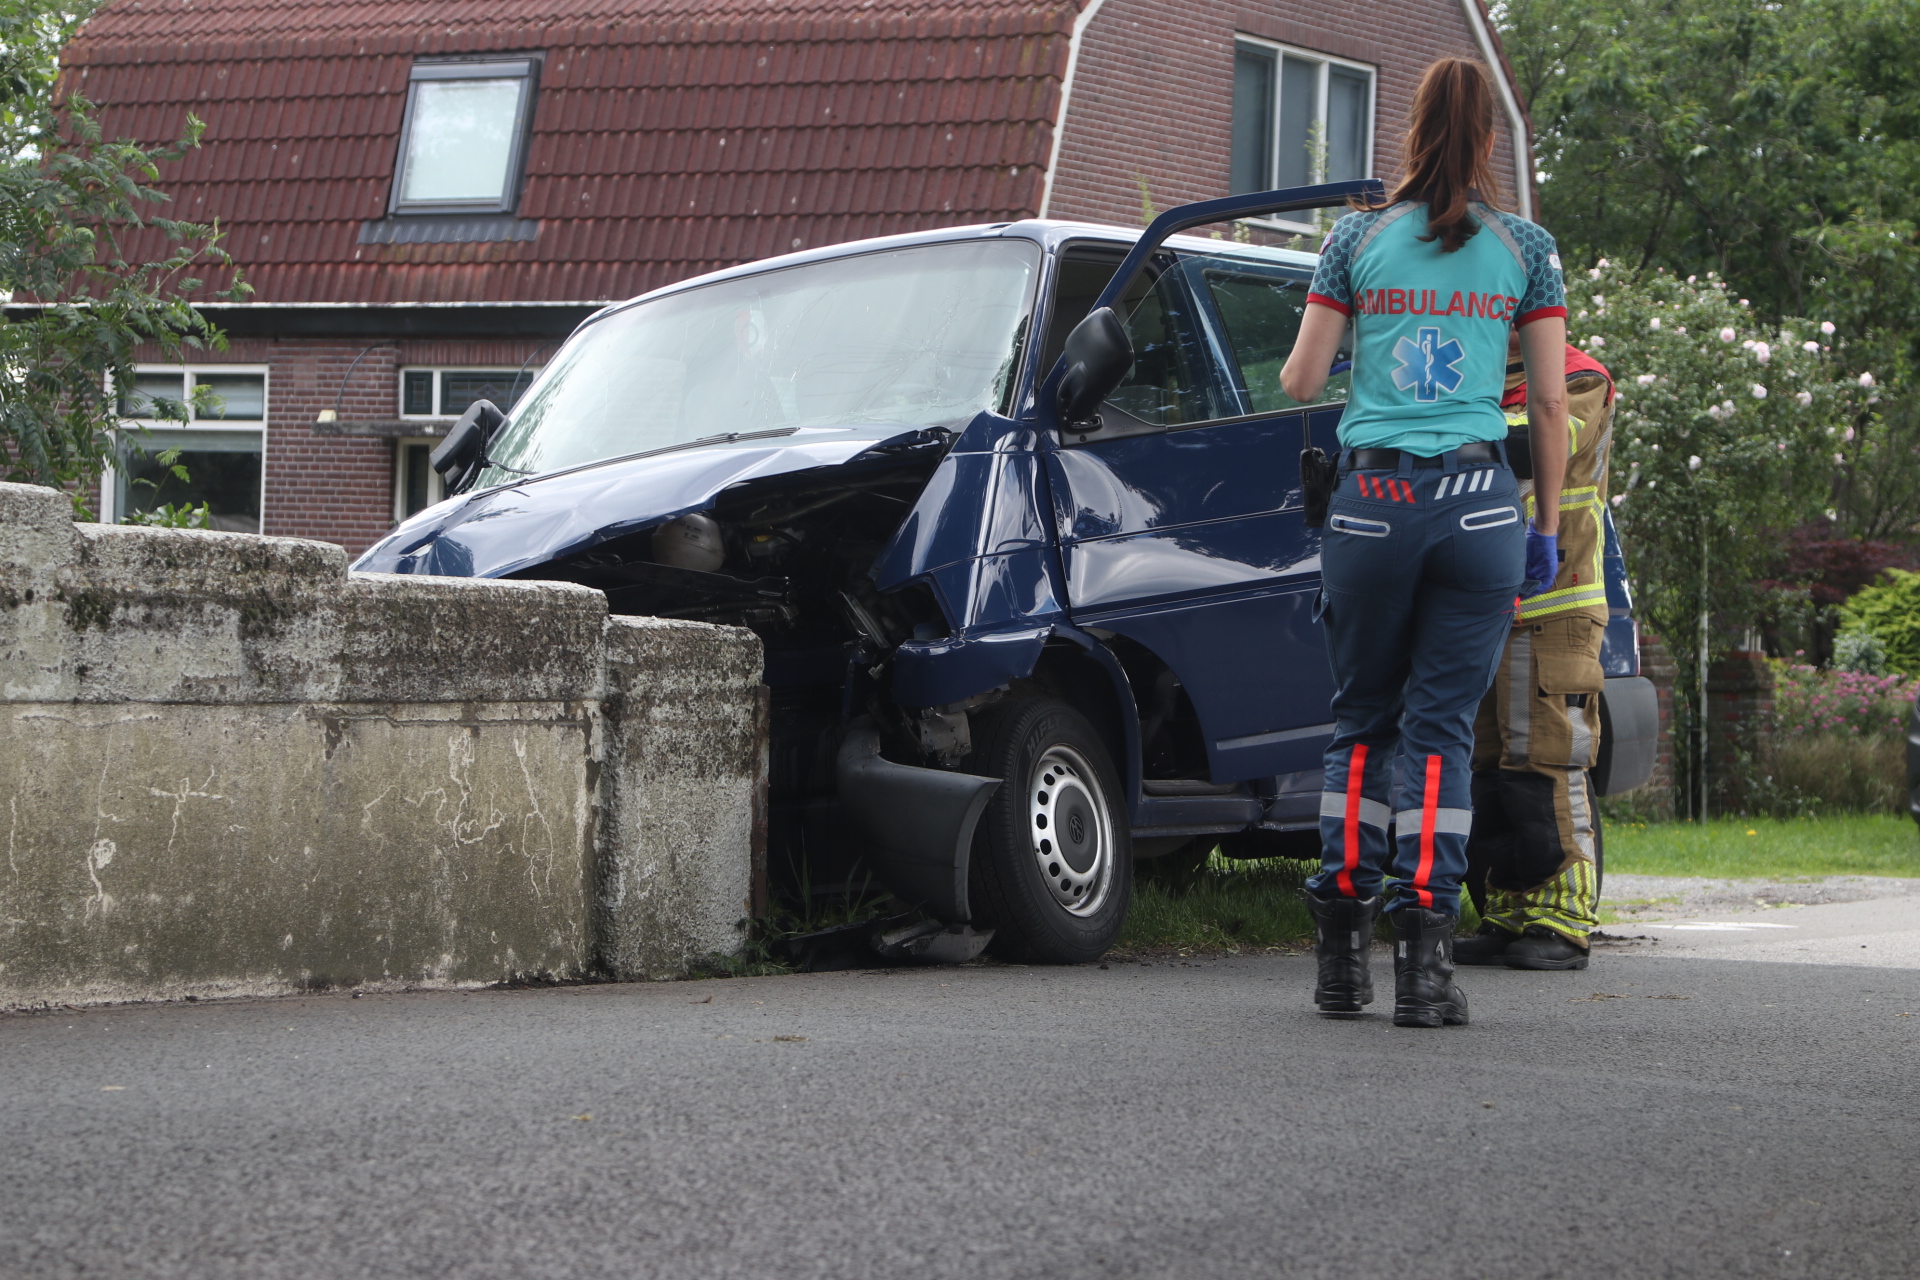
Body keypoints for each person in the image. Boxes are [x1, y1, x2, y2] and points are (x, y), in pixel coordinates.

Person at [1280, 57, 1569, 1028]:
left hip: (1370, 502)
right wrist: (1544, 527)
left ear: (1407, 132)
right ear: (1488, 139)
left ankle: (1338, 960)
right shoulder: (1527, 248)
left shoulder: (1354, 240)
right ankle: (1425, 968)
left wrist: (1373, 335)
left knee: (1361, 721)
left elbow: (1300, 378)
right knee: (1441, 731)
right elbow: (1554, 402)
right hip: (1482, 506)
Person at [1456, 335, 1615, 969]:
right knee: (1489, 766)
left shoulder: (1579, 379)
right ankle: (1510, 911)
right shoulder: (1473, 376)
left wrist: (1437, 419)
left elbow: (1539, 439)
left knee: (1546, 758)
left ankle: (1564, 919)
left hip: (1558, 602)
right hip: (1486, 605)